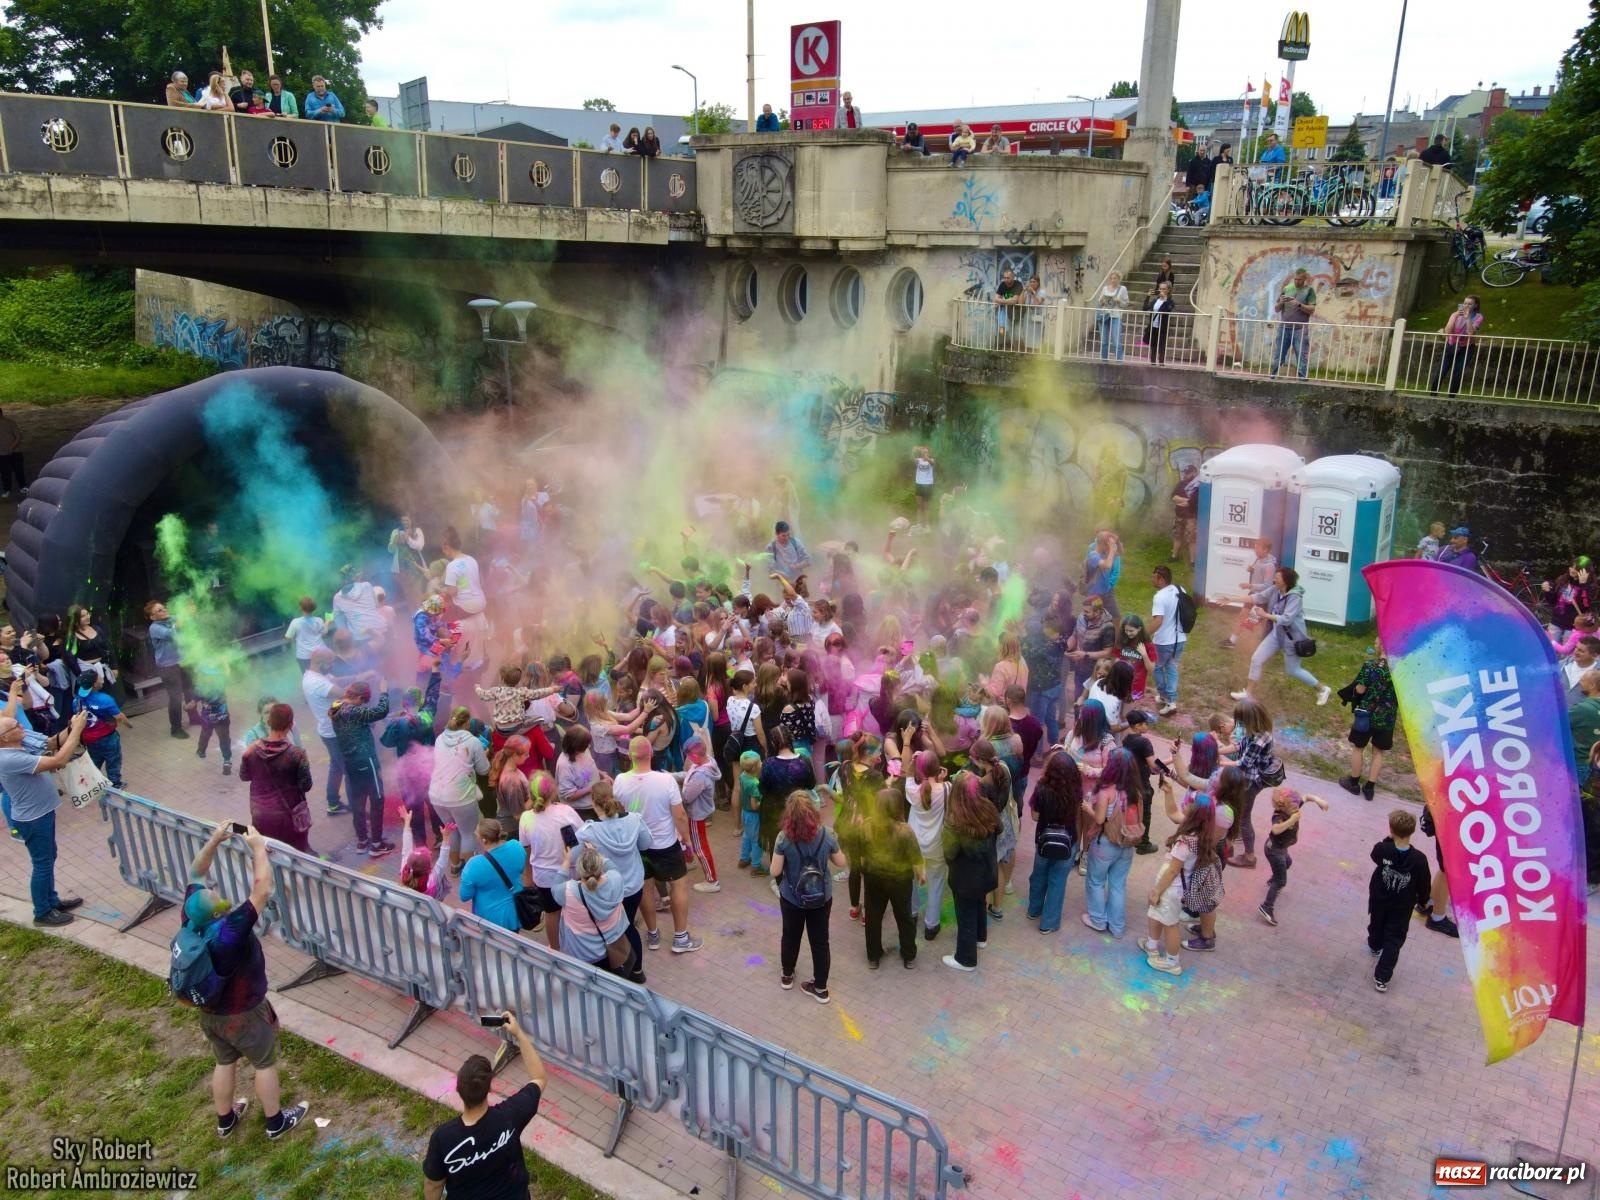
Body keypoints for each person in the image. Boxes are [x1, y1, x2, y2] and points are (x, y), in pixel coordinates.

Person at [183, 823, 309, 1139]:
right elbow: (262, 889)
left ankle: (225, 1119)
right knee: (264, 1062)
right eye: (214, 896)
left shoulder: (191, 919)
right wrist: (257, 848)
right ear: (216, 913)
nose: (215, 891)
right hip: (244, 1012)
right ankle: (275, 1122)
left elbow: (196, 873)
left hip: (211, 1012)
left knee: (224, 1060)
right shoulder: (229, 929)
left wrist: (214, 840)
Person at [422, 1012, 547, 1200]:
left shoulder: (443, 1138)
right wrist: (518, 1034)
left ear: (458, 1089)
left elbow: (434, 1184)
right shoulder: (509, 1116)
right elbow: (539, 1077)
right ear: (489, 1089)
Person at [611, 735, 703, 953]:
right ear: (651, 753)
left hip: (637, 847)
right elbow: (679, 815)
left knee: (646, 888)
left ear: (630, 756)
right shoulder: (665, 780)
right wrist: (688, 841)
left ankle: (653, 935)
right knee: (679, 886)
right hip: (665, 845)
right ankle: (680, 938)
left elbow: (618, 813)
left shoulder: (620, 781)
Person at [0, 703, 87, 926]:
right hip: (33, 818)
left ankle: (51, 901)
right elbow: (58, 760)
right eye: (16, 727)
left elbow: (50, 743)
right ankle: (42, 912)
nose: (22, 726)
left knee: (49, 857)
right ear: (5, 738)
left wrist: (70, 726)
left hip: (41, 813)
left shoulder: (16, 745)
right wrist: (76, 731)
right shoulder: (8, 758)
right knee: (42, 863)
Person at [771, 790, 846, 1002]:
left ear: (789, 814)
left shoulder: (783, 837)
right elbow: (841, 862)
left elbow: (775, 871)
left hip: (792, 898)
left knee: (790, 936)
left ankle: (787, 976)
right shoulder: (827, 834)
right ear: (813, 811)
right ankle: (820, 988)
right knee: (820, 942)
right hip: (821, 898)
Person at [1231, 567, 1331, 706]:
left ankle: (1323, 689)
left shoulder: (1295, 597)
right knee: (1256, 659)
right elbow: (1257, 597)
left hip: (1293, 639)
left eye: (1277, 577)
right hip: (1277, 635)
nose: (1274, 579)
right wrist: (1231, 598)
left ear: (1286, 581)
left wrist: (1264, 615)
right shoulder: (1275, 590)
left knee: (1293, 670)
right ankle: (1247, 693)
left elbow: (1287, 619)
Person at [1139, 802, 1216, 976]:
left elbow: (1173, 870)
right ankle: (1151, 945)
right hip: (1175, 888)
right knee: (1157, 915)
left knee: (1170, 924)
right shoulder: (1201, 837)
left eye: (1190, 804)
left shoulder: (1184, 843)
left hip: (1170, 889)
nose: (1186, 804)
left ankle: (1172, 962)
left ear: (1194, 816)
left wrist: (1157, 890)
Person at [1080, 747, 1144, 937]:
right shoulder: (1136, 792)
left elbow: (1099, 820)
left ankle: (1098, 919)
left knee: (1096, 881)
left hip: (1105, 843)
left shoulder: (1106, 791)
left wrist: (1086, 808)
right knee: (1118, 884)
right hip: (1126, 845)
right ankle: (1117, 926)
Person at [1367, 809, 1431, 993]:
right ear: (1412, 832)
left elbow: (1374, 856)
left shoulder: (1383, 849)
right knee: (1394, 940)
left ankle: (1374, 944)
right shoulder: (1419, 859)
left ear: (1391, 829)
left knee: (1376, 924)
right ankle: (1382, 977)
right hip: (1402, 907)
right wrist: (1424, 900)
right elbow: (1424, 883)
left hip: (1379, 899)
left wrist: (1389, 839)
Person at [941, 772, 1000, 971]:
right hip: (987, 872)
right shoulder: (989, 808)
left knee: (965, 914)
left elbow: (948, 852)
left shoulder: (954, 821)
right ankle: (980, 938)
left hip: (965, 879)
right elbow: (998, 829)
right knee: (980, 903)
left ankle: (966, 959)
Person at [239, 703, 315, 854]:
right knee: (297, 855)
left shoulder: (250, 751)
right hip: (290, 817)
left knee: (269, 853)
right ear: (291, 724)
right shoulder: (297, 754)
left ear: (269, 722)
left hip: (261, 814)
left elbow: (244, 776)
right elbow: (306, 785)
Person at [859, 788, 922, 970]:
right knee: (904, 917)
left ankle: (873, 956)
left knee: (873, 917)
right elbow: (916, 860)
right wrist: (921, 875)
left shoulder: (866, 826)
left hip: (873, 878)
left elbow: (862, 855)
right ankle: (909, 955)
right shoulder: (905, 830)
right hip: (900, 881)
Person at [329, 680, 393, 856]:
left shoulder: (336, 708)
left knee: (357, 802)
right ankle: (377, 844)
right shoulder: (354, 711)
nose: (363, 704)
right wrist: (384, 692)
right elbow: (381, 711)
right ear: (357, 697)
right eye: (363, 700)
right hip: (366, 760)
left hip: (350, 762)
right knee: (377, 799)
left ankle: (362, 841)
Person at [519, 774, 583, 949]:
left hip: (543, 877)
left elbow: (526, 849)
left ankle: (554, 948)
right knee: (573, 912)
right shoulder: (566, 811)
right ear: (553, 791)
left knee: (551, 913)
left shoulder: (526, 818)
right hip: (569, 873)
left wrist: (527, 876)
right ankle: (576, 947)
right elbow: (583, 832)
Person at [1026, 750, 1082, 933]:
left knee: (1039, 875)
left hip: (1043, 839)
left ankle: (1034, 910)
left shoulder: (1041, 788)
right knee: (1057, 881)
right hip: (1068, 841)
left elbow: (1035, 816)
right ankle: (1048, 923)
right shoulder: (1076, 789)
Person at [1258, 787, 1330, 925]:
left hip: (1281, 849)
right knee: (1281, 881)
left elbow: (1307, 796)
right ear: (1284, 807)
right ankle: (1267, 906)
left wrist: (1319, 801)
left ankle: (1272, 879)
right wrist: (1292, 820)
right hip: (1274, 851)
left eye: (1298, 807)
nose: (1297, 810)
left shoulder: (1293, 806)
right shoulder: (1278, 816)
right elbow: (1275, 829)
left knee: (1288, 863)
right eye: (1294, 808)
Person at [431, 706, 491, 872]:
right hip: (460, 797)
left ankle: (455, 866)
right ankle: (469, 872)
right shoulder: (473, 741)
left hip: (437, 795)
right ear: (466, 723)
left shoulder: (439, 739)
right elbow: (484, 770)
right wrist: (484, 754)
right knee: (467, 832)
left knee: (453, 831)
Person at [1339, 646, 1397, 801]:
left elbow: (1359, 689)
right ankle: (1370, 787)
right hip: (1387, 718)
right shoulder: (1401, 669)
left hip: (1366, 715)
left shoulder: (1371, 666)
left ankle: (1353, 782)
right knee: (1378, 752)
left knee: (1359, 747)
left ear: (1381, 645)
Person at [460, 818, 527, 933]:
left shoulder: (474, 864)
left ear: (483, 840)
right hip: (516, 911)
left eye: (477, 835)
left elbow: (464, 895)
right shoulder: (516, 846)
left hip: (490, 918)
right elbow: (520, 869)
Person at [72, 669, 128, 788]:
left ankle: (93, 783)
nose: (101, 679)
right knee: (113, 760)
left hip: (89, 738)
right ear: (94, 684)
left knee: (95, 761)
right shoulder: (105, 699)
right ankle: (115, 783)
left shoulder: (76, 700)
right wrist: (129, 725)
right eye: (99, 678)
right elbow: (119, 717)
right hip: (107, 737)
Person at [1148, 565, 1187, 717]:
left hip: (1164, 641)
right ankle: (1171, 701)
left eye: (1154, 577)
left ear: (1162, 580)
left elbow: (1158, 620)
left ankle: (1165, 696)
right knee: (1171, 667)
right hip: (1180, 639)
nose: (1152, 579)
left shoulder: (1159, 596)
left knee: (1157, 668)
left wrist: (1145, 635)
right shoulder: (1180, 589)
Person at [146, 601, 189, 739]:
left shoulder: (171, 619)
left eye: (163, 608)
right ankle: (176, 728)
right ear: (152, 617)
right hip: (167, 667)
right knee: (175, 697)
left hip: (182, 661)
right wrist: (181, 621)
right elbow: (171, 634)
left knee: (189, 690)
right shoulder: (154, 628)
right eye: (158, 610)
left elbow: (186, 621)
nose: (163, 610)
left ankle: (194, 717)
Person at [1224, 538, 1277, 647]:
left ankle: (1266, 644)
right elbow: (1259, 574)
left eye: (1257, 548)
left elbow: (1267, 586)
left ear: (1266, 550)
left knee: (1260, 622)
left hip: (1262, 598)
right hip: (1253, 594)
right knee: (1243, 616)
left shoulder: (1269, 566)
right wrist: (1252, 570)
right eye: (1255, 547)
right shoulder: (1259, 559)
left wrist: (1249, 585)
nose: (1255, 550)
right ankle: (1232, 641)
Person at [1269, 267, 1317, 380]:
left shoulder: (1309, 291)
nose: (1297, 281)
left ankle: (1302, 377)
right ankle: (1273, 375)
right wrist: (1281, 302)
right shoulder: (1287, 288)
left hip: (1300, 328)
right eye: (1295, 279)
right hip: (1284, 327)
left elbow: (1312, 309)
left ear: (1305, 279)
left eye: (1300, 279)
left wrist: (1299, 305)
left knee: (1301, 354)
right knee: (1279, 353)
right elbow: (1276, 309)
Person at [1432, 296, 1483, 397]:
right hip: (1452, 344)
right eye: (1464, 303)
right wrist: (1454, 316)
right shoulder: (1455, 315)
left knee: (1458, 373)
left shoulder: (1478, 317)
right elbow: (1447, 331)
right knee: (1441, 371)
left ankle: (1451, 397)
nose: (1466, 306)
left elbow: (1470, 333)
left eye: (1469, 304)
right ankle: (1433, 395)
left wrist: (1467, 318)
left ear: (1475, 305)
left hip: (1467, 348)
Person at [191, 666, 232, 776]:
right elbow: (194, 701)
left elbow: (193, 701)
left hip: (214, 718)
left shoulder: (206, 687)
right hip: (216, 718)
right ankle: (225, 760)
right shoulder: (212, 686)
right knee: (219, 738)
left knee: (213, 736)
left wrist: (189, 706)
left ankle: (204, 752)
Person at [1084, 532, 1122, 621]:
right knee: (1095, 619)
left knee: (1116, 617)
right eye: (1107, 545)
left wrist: (1116, 540)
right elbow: (1107, 565)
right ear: (1101, 544)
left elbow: (1120, 552)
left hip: (1107, 592)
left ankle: (1116, 635)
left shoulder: (1106, 554)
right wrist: (1112, 550)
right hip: (1095, 594)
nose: (1110, 547)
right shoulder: (1093, 555)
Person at [1095, 271, 1129, 361]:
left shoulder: (1122, 289)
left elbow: (1126, 304)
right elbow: (1099, 301)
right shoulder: (1105, 288)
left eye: (1115, 278)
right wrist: (1102, 301)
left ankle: (1119, 361)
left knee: (1116, 341)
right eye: (1111, 278)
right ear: (1109, 279)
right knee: (1104, 341)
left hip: (1116, 316)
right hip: (1104, 315)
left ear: (1119, 279)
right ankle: (1104, 361)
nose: (1113, 280)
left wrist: (1119, 301)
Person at [766, 520, 811, 584]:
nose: (787, 538)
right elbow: (770, 569)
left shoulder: (795, 542)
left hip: (799, 582)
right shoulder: (771, 547)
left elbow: (808, 560)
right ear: (776, 534)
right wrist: (783, 575)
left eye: (788, 535)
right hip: (782, 584)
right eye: (783, 536)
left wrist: (796, 566)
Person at [1149, 281, 1175, 365]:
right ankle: (1152, 362)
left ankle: (1161, 362)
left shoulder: (1170, 301)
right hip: (1154, 325)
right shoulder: (1156, 299)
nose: (1161, 291)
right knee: (1153, 345)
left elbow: (1168, 309)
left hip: (1163, 326)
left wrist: (1165, 300)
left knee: (1162, 345)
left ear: (1168, 290)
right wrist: (1147, 296)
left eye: (1164, 289)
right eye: (1160, 289)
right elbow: (1145, 308)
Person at [0, 406, 23, 497]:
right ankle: (7, 489)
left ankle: (23, 486)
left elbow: (18, 437)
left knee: (19, 470)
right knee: (5, 472)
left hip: (15, 451)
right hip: (1, 453)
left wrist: (11, 447)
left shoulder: (10, 423)